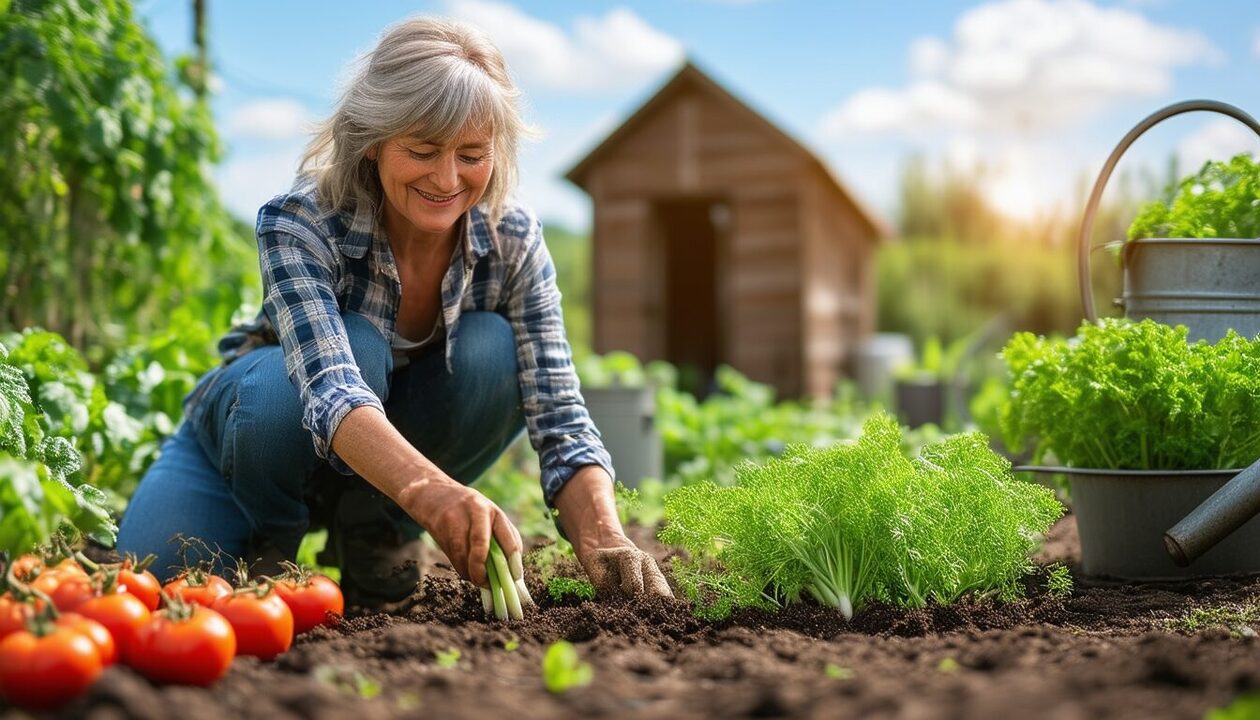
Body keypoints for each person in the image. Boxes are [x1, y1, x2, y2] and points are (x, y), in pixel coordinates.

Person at [116, 16, 671, 607]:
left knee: (494, 349)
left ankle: (374, 534)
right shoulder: (300, 220)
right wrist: (435, 494)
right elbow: (331, 391)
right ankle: (268, 538)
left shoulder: (511, 239)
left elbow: (559, 411)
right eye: (423, 150)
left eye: (472, 154)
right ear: (373, 138)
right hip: (258, 447)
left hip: (385, 477)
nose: (447, 178)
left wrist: (604, 537)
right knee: (158, 574)